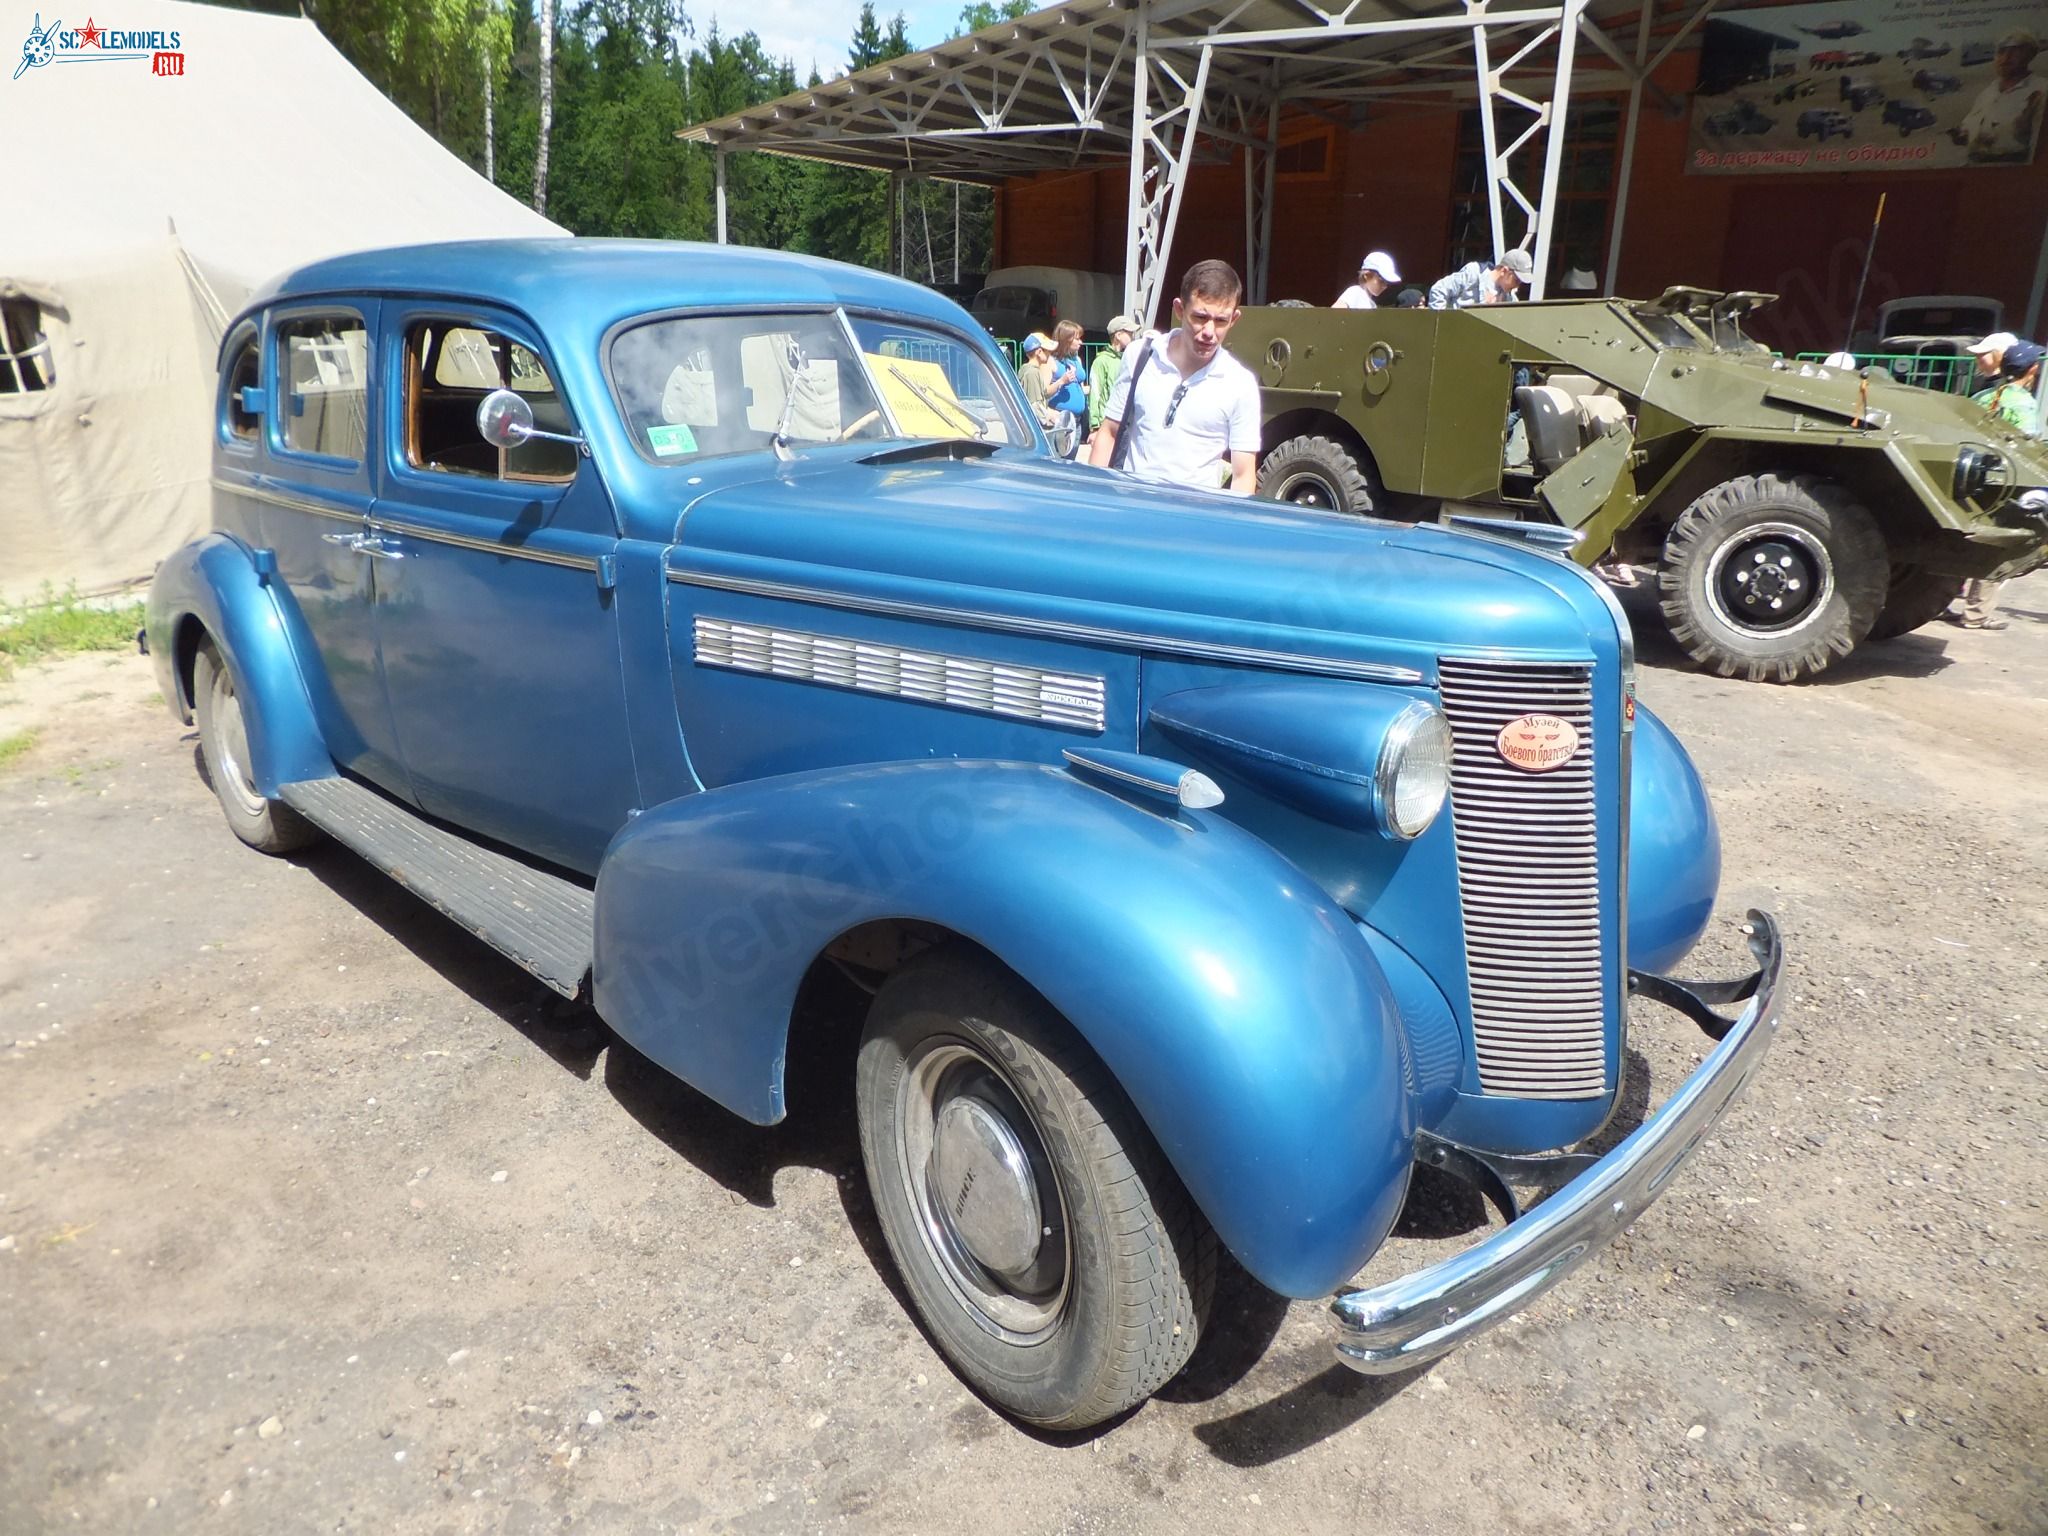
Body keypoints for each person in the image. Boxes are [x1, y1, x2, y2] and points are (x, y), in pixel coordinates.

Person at [1086, 259, 1261, 495]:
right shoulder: (1141, 356)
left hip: (1193, 521)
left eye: (1221, 321)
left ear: (1234, 319)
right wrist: (1094, 501)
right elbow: (1109, 432)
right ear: (1179, 310)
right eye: (1200, 317)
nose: (1209, 332)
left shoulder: (1240, 384)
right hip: (1131, 511)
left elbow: (1243, 475)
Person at [1953, 337, 2043, 630]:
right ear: (2031, 370)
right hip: (2005, 482)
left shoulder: (1983, 398)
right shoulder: (2024, 405)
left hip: (1972, 476)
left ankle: (1947, 601)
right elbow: (2028, 446)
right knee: (1996, 548)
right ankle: (1977, 614)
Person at [1951, 30, 2044, 164]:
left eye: (2014, 52)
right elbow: (1969, 127)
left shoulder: (2040, 90)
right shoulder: (1988, 92)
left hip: (2012, 171)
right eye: (2001, 52)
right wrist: (1963, 134)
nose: (2005, 59)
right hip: (1977, 167)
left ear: (2029, 56)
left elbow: (2039, 148)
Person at [1087, 314, 1138, 441]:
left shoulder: (1128, 358)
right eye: (1129, 333)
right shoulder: (1101, 361)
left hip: (1126, 421)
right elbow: (1095, 394)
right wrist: (1095, 427)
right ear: (1118, 335)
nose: (1133, 336)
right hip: (1107, 423)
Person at [1429, 249, 1533, 309]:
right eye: (1516, 280)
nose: (1518, 286)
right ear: (1504, 271)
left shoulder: (1510, 299)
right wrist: (1442, 323)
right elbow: (1439, 289)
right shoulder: (1474, 273)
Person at [1047, 320, 1088, 449]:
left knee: (1071, 462)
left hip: (1077, 420)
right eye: (1077, 339)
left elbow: (1079, 387)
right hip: (1060, 419)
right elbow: (1044, 392)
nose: (1080, 342)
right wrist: (1062, 381)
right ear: (1066, 340)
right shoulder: (1051, 361)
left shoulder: (1077, 359)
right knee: (1059, 461)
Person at [1016, 333, 1057, 431]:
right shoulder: (1032, 372)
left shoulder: (1027, 369)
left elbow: (1042, 394)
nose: (1050, 354)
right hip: (1034, 428)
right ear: (1039, 352)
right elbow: (1035, 404)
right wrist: (1049, 418)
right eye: (1048, 351)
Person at [1334, 250, 1401, 310]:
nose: (1384, 286)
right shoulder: (1355, 292)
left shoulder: (1372, 305)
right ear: (1367, 275)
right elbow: (1333, 315)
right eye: (1381, 279)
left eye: (1387, 282)